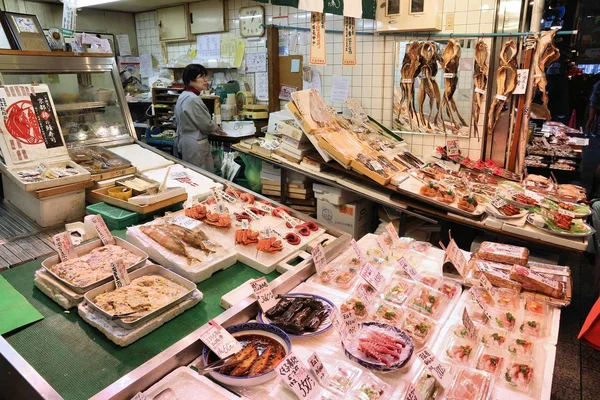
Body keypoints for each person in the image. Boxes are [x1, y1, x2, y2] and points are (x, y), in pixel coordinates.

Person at [173, 64, 223, 173]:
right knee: (202, 175)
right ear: (191, 80)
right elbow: (206, 124)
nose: (206, 80)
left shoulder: (183, 95)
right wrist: (215, 127)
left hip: (185, 141)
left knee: (192, 174)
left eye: (205, 77)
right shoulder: (193, 99)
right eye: (201, 77)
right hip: (195, 143)